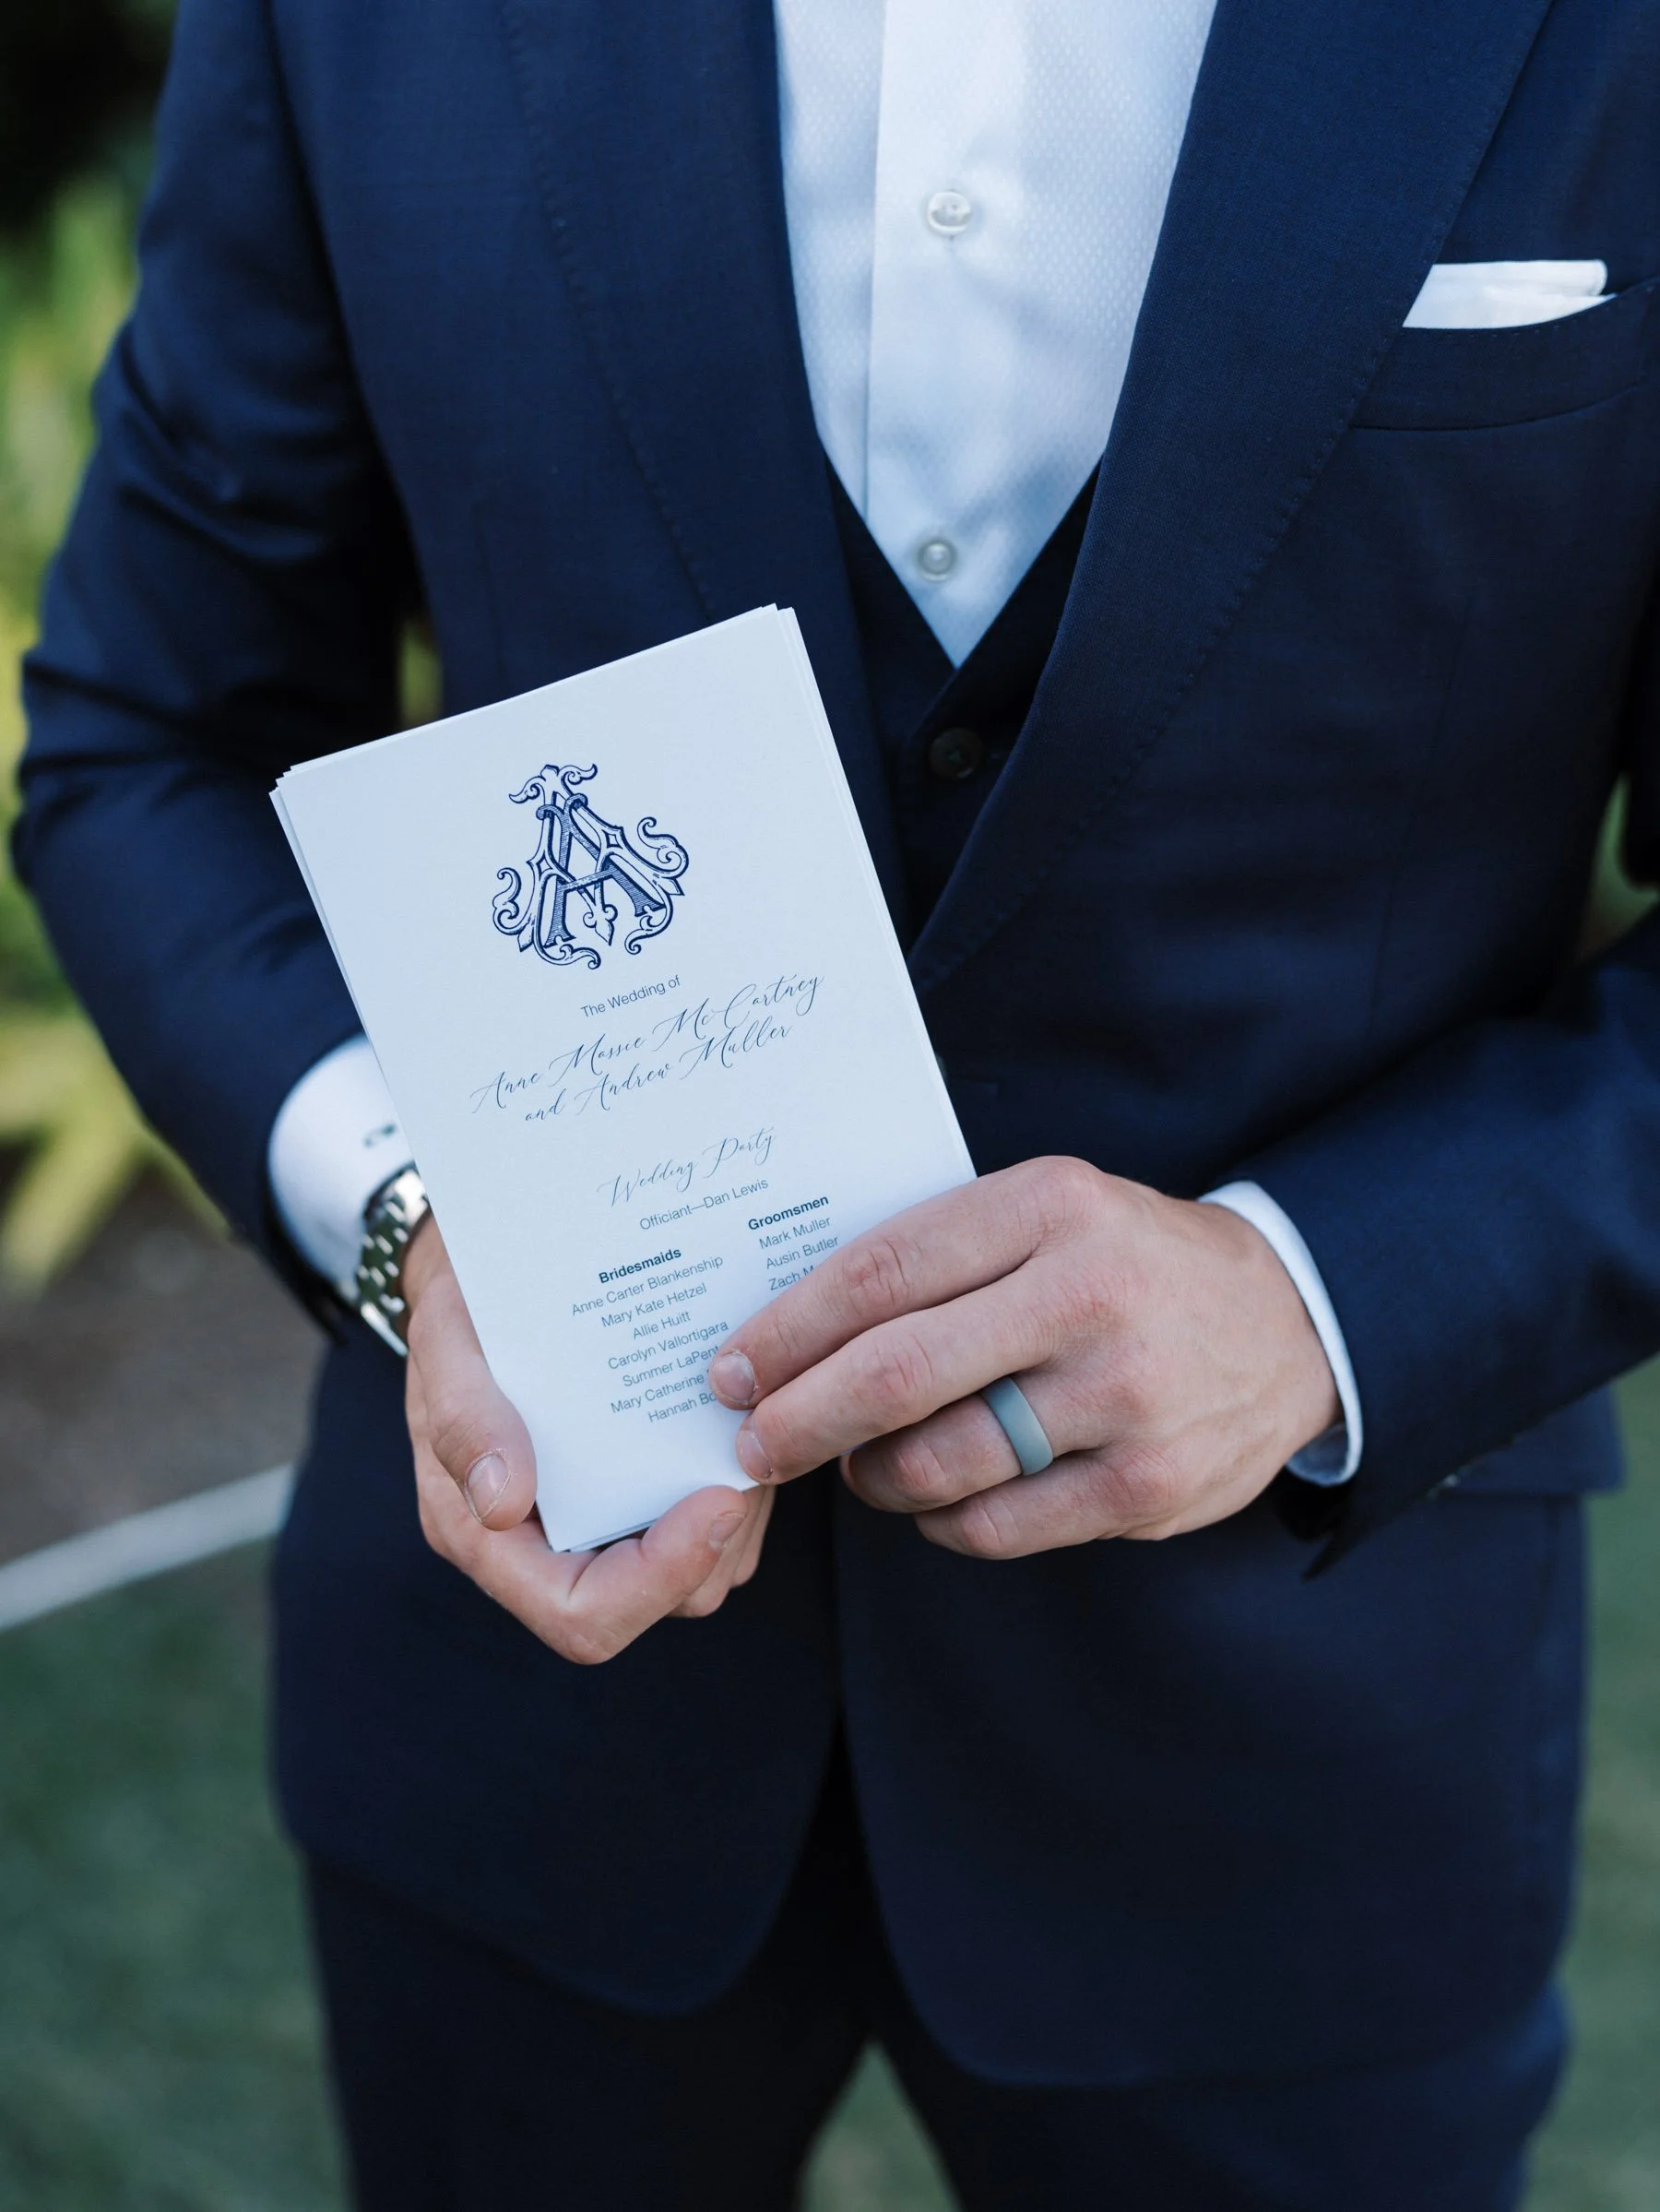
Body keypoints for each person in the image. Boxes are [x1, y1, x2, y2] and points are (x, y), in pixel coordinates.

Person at [18, 0, 1659, 2204]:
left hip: (1299, 1768)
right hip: (528, 1732)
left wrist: (1306, 1298)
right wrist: (420, 1219)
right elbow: (147, 736)